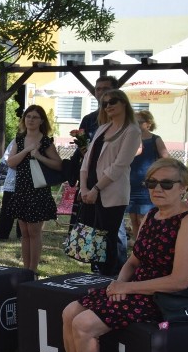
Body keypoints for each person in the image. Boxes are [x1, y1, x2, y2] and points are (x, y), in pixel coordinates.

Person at [45, 158, 188, 352]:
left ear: (183, 187)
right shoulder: (152, 216)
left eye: (166, 184)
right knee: (70, 312)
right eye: (151, 183)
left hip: (166, 298)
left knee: (84, 323)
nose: (157, 189)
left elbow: (179, 281)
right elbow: (133, 262)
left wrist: (127, 288)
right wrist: (117, 286)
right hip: (137, 289)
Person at [78, 88, 142, 276]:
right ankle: (96, 276)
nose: (108, 106)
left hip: (111, 192)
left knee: (108, 239)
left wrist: (97, 188)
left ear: (124, 103)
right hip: (89, 190)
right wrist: (84, 188)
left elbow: (119, 165)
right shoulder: (103, 128)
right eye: (104, 104)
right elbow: (88, 159)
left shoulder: (132, 131)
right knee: (92, 236)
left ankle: (109, 278)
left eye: (112, 101)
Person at [70, 76, 128, 263]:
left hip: (111, 184)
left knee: (113, 233)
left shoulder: (129, 127)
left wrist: (96, 187)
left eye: (106, 89)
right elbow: (85, 154)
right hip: (90, 182)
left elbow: (127, 156)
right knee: (91, 229)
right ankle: (96, 267)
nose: (101, 93)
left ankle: (115, 270)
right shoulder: (92, 121)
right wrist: (85, 187)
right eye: (98, 89)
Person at [6, 105, 63, 274]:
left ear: (41, 121)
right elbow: (11, 162)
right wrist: (27, 150)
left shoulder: (45, 141)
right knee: (24, 231)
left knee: (34, 231)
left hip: (38, 190)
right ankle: (26, 269)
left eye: (35, 117)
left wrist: (38, 156)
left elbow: (58, 165)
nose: (31, 120)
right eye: (28, 116)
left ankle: (33, 269)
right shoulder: (19, 139)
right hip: (22, 189)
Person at [127, 110, 170, 242]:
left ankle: (147, 244)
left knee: (143, 218)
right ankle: (137, 247)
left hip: (146, 185)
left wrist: (154, 176)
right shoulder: (130, 139)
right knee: (133, 219)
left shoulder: (155, 139)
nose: (135, 124)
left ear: (148, 124)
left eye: (139, 122)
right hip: (130, 184)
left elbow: (166, 159)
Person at [0, 141, 21, 241]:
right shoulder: (16, 140)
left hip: (30, 180)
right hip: (13, 178)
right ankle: (2, 234)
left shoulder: (40, 139)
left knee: (24, 208)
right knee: (7, 208)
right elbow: (7, 160)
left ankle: (23, 234)